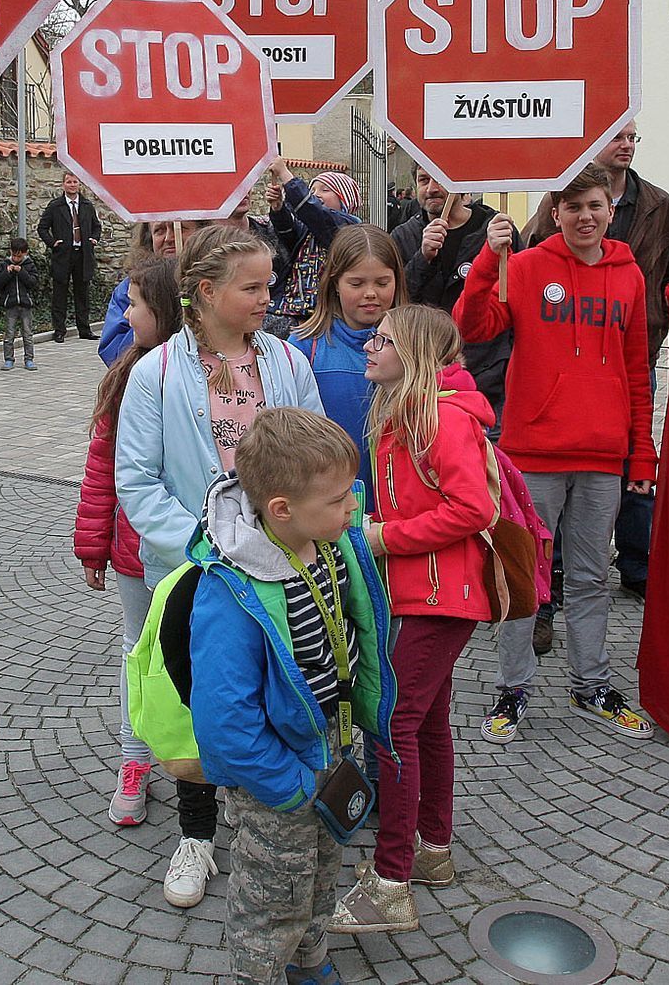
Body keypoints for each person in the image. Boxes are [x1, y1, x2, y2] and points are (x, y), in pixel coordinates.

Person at [114, 224, 323, 910]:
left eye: (270, 284)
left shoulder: (289, 364)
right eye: (253, 287)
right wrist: (206, 549)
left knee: (273, 691)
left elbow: (316, 456)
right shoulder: (156, 374)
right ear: (205, 292)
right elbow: (138, 481)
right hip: (198, 573)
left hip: (281, 564)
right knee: (200, 700)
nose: (270, 297)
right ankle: (196, 836)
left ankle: (274, 815)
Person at [188, 408, 393, 985]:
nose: (353, 508)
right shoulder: (232, 590)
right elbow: (225, 719)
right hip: (276, 767)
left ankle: (308, 958)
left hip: (332, 741)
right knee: (273, 885)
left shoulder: (327, 543)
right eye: (339, 500)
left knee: (324, 867)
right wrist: (290, 785)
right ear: (282, 509)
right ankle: (260, 972)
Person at [454, 165, 657, 746]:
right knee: (524, 573)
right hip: (534, 450)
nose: (584, 217)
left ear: (609, 209)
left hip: (602, 454)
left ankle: (591, 683)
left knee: (592, 577)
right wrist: (491, 260)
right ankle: (512, 686)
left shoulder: (629, 277)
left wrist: (641, 457)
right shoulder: (527, 266)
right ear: (556, 211)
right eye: (572, 207)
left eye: (593, 205)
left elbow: (637, 370)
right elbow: (473, 325)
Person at [329, 306, 491, 936]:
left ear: (416, 354)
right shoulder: (409, 414)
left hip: (440, 597)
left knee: (393, 722)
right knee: (426, 722)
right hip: (428, 594)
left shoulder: (440, 419)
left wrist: (384, 538)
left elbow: (472, 508)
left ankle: (392, 879)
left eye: (385, 339)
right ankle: (433, 848)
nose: (371, 344)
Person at [74, 257, 181, 827]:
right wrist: (93, 544)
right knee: (137, 651)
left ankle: (200, 762)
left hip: (192, 551)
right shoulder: (125, 372)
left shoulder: (196, 374)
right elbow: (101, 470)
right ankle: (134, 761)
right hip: (132, 553)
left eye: (134, 304)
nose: (125, 314)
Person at [589, 123, 669, 598]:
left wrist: (657, 323)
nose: (626, 144)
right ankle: (564, 565)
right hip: (582, 353)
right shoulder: (563, 199)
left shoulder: (658, 205)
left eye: (632, 136)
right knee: (583, 457)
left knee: (635, 455)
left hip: (638, 352)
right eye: (616, 136)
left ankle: (636, 563)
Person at [289, 225, 406, 501]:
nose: (370, 293)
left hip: (399, 501)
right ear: (335, 284)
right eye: (357, 283)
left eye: (382, 283)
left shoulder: (413, 345)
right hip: (328, 497)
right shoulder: (305, 346)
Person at [390, 168, 518, 418]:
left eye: (440, 178)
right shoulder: (404, 235)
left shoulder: (494, 230)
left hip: (488, 375)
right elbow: (397, 302)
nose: (432, 189)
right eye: (423, 180)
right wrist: (422, 258)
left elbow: (514, 297)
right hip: (424, 376)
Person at [267, 162, 361, 337]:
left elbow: (312, 211)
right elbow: (288, 232)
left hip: (324, 314)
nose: (316, 194)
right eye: (313, 190)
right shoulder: (309, 227)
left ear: (344, 198)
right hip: (292, 311)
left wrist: (285, 174)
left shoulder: (347, 227)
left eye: (325, 189)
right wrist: (278, 208)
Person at [98, 221, 182, 365]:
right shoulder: (131, 288)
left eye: (179, 228)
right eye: (159, 230)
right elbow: (114, 349)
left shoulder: (214, 284)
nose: (169, 238)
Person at [40, 171, 103, 342]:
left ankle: (84, 329)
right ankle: (59, 330)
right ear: (63, 185)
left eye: (75, 182)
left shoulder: (87, 205)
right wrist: (53, 243)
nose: (72, 185)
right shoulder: (55, 206)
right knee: (60, 293)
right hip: (63, 255)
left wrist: (94, 239)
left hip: (83, 255)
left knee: (82, 294)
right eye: (69, 182)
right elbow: (42, 228)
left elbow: (97, 226)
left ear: (79, 184)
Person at [0, 238, 42, 370]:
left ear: (25, 253)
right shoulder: (4, 264)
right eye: (14, 255)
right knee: (9, 334)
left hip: (26, 305)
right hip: (11, 304)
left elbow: (33, 282)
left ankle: (29, 359)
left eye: (19, 256)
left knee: (28, 334)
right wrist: (7, 272)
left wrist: (21, 272)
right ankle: (9, 359)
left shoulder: (30, 265)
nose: (16, 258)